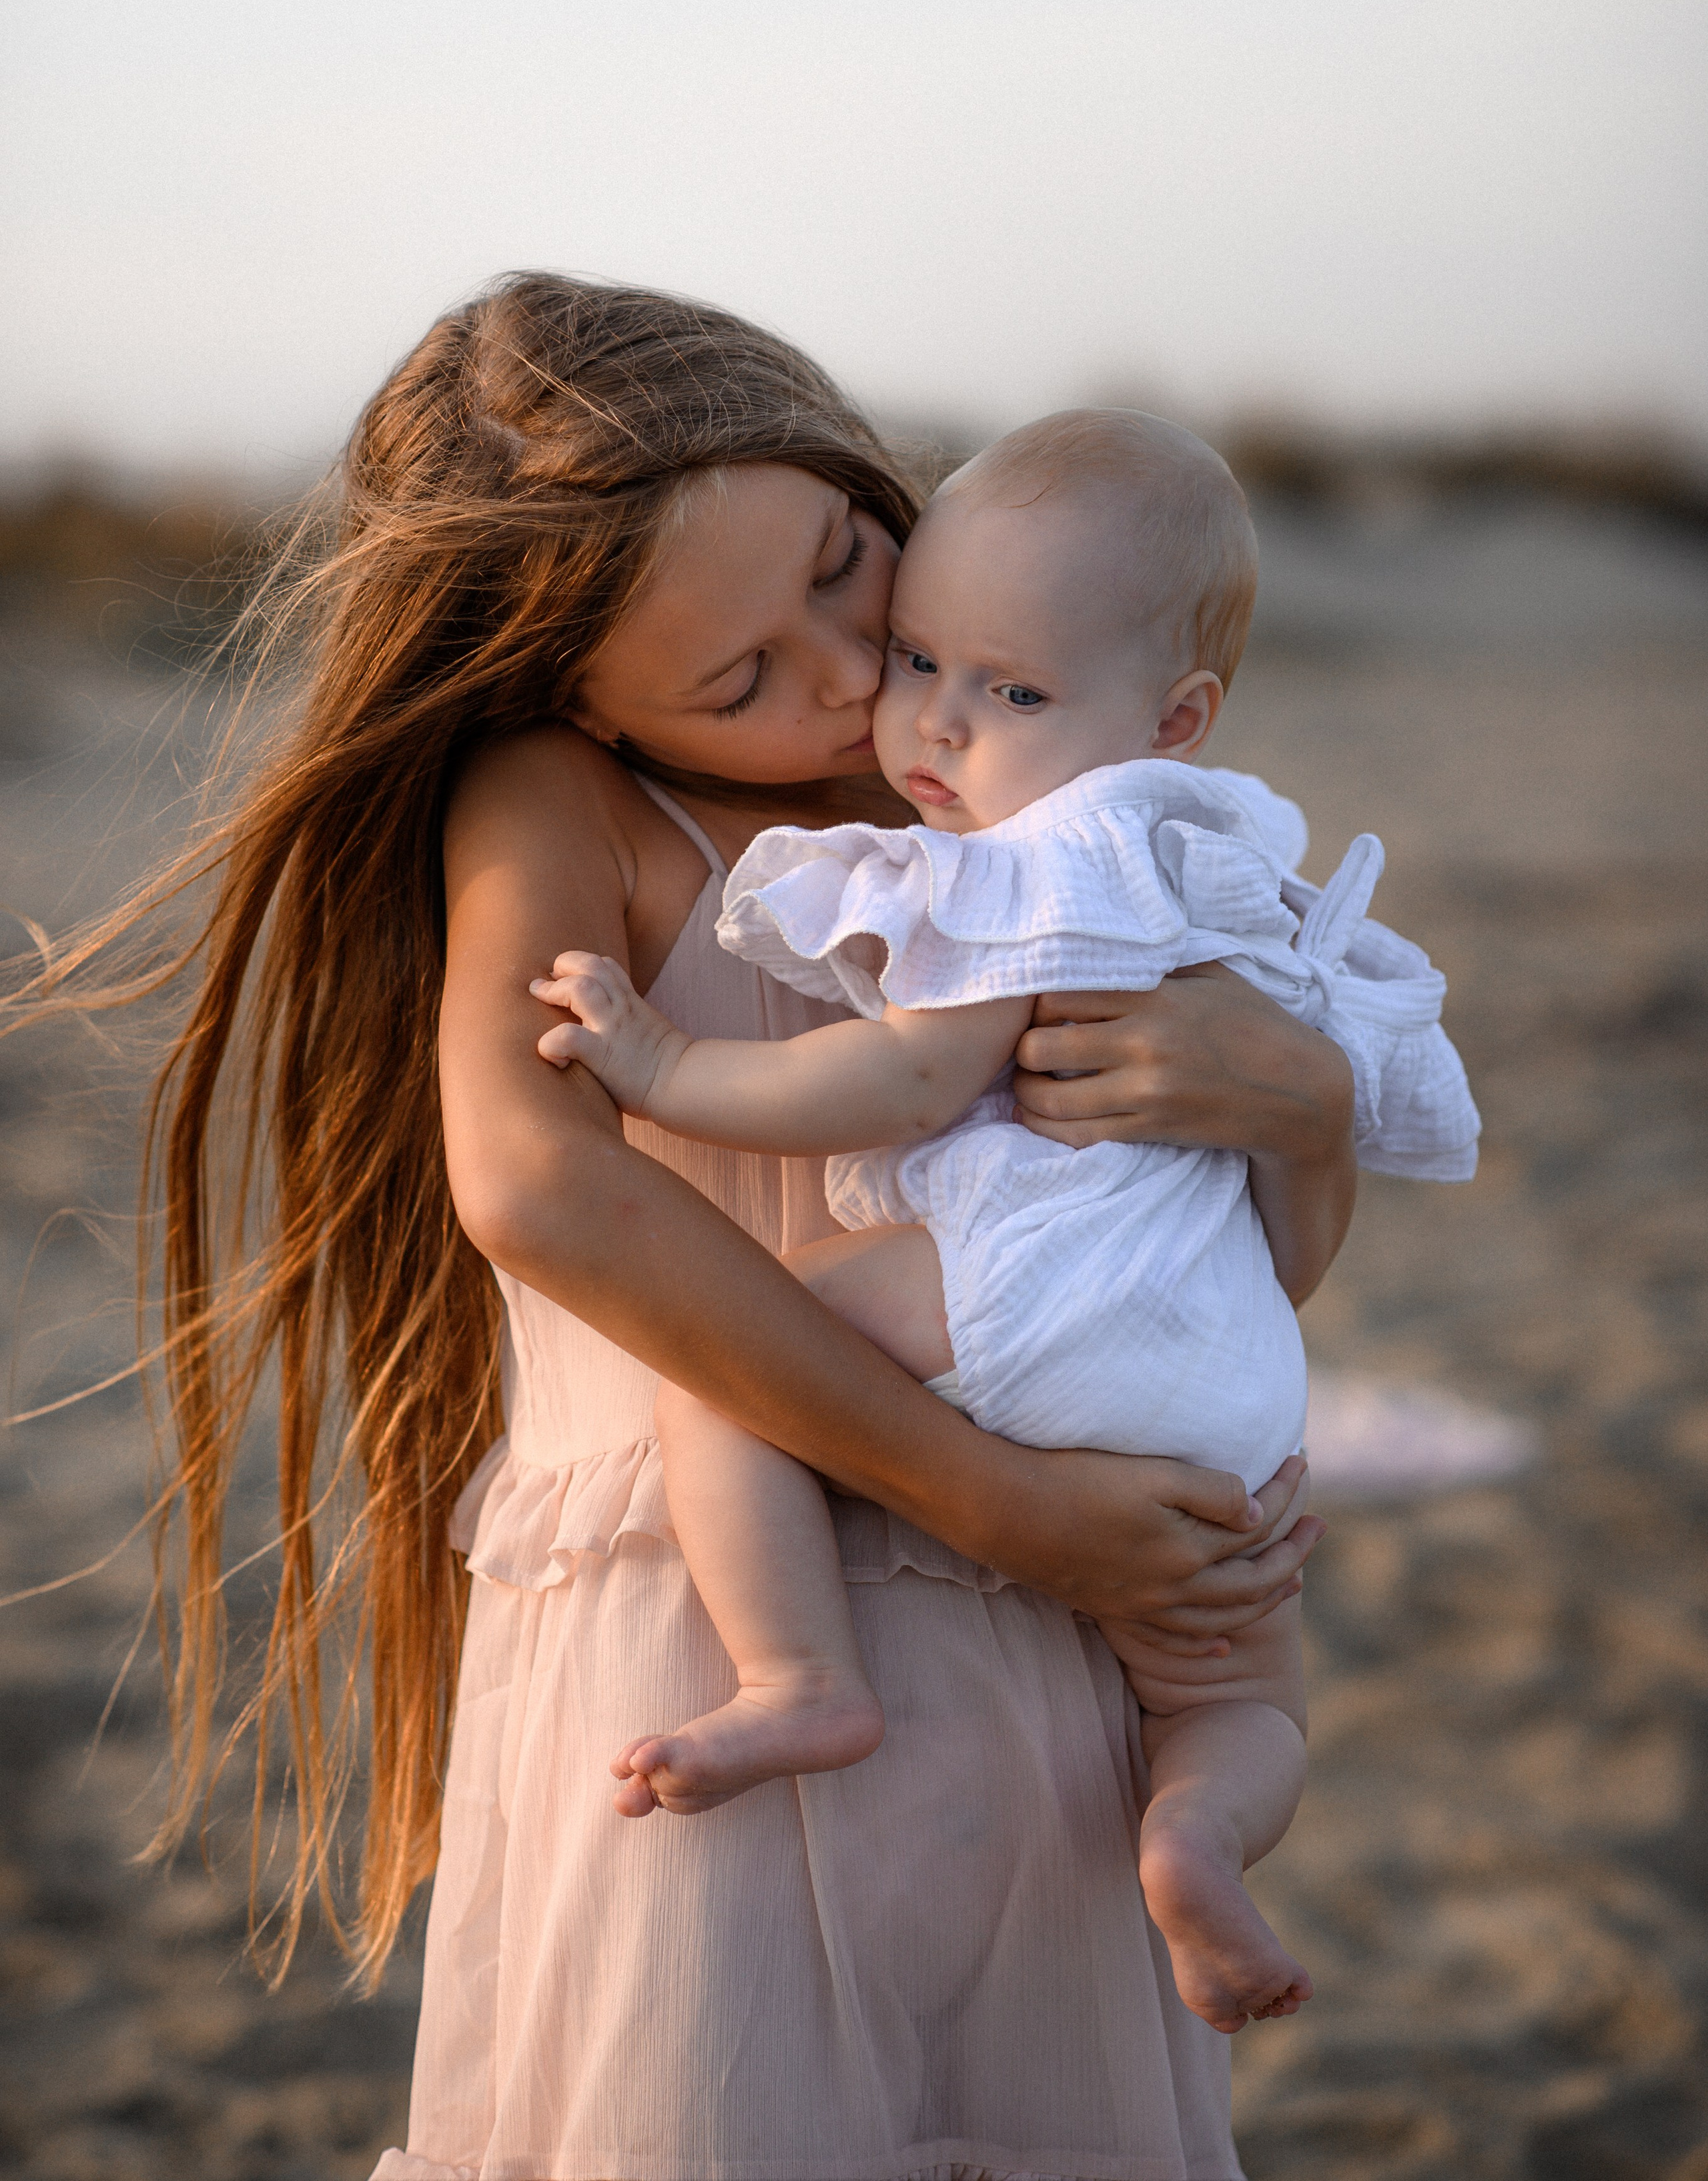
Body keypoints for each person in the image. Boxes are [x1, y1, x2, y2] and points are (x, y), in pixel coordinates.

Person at [20, 277, 1365, 2181]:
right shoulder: (567, 798)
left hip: (1061, 1674)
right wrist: (997, 1500)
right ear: (579, 694)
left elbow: (1210, 1266)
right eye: (739, 677)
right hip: (711, 1660)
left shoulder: (1039, 812)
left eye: (845, 558)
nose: (846, 672)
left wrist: (1298, 1110)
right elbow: (538, 1182)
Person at [528, 409, 1478, 2037]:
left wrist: (664, 1064)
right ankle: (1198, 1830)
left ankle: (799, 1680)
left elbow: (912, 1076)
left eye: (1009, 691)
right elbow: (1286, 1242)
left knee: (724, 1375)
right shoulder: (1217, 857)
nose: (927, 719)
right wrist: (1306, 1106)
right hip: (1233, 1375)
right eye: (922, 662)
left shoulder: (1046, 854)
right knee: (1241, 1690)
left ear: (1169, 719)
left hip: (1040, 1295)